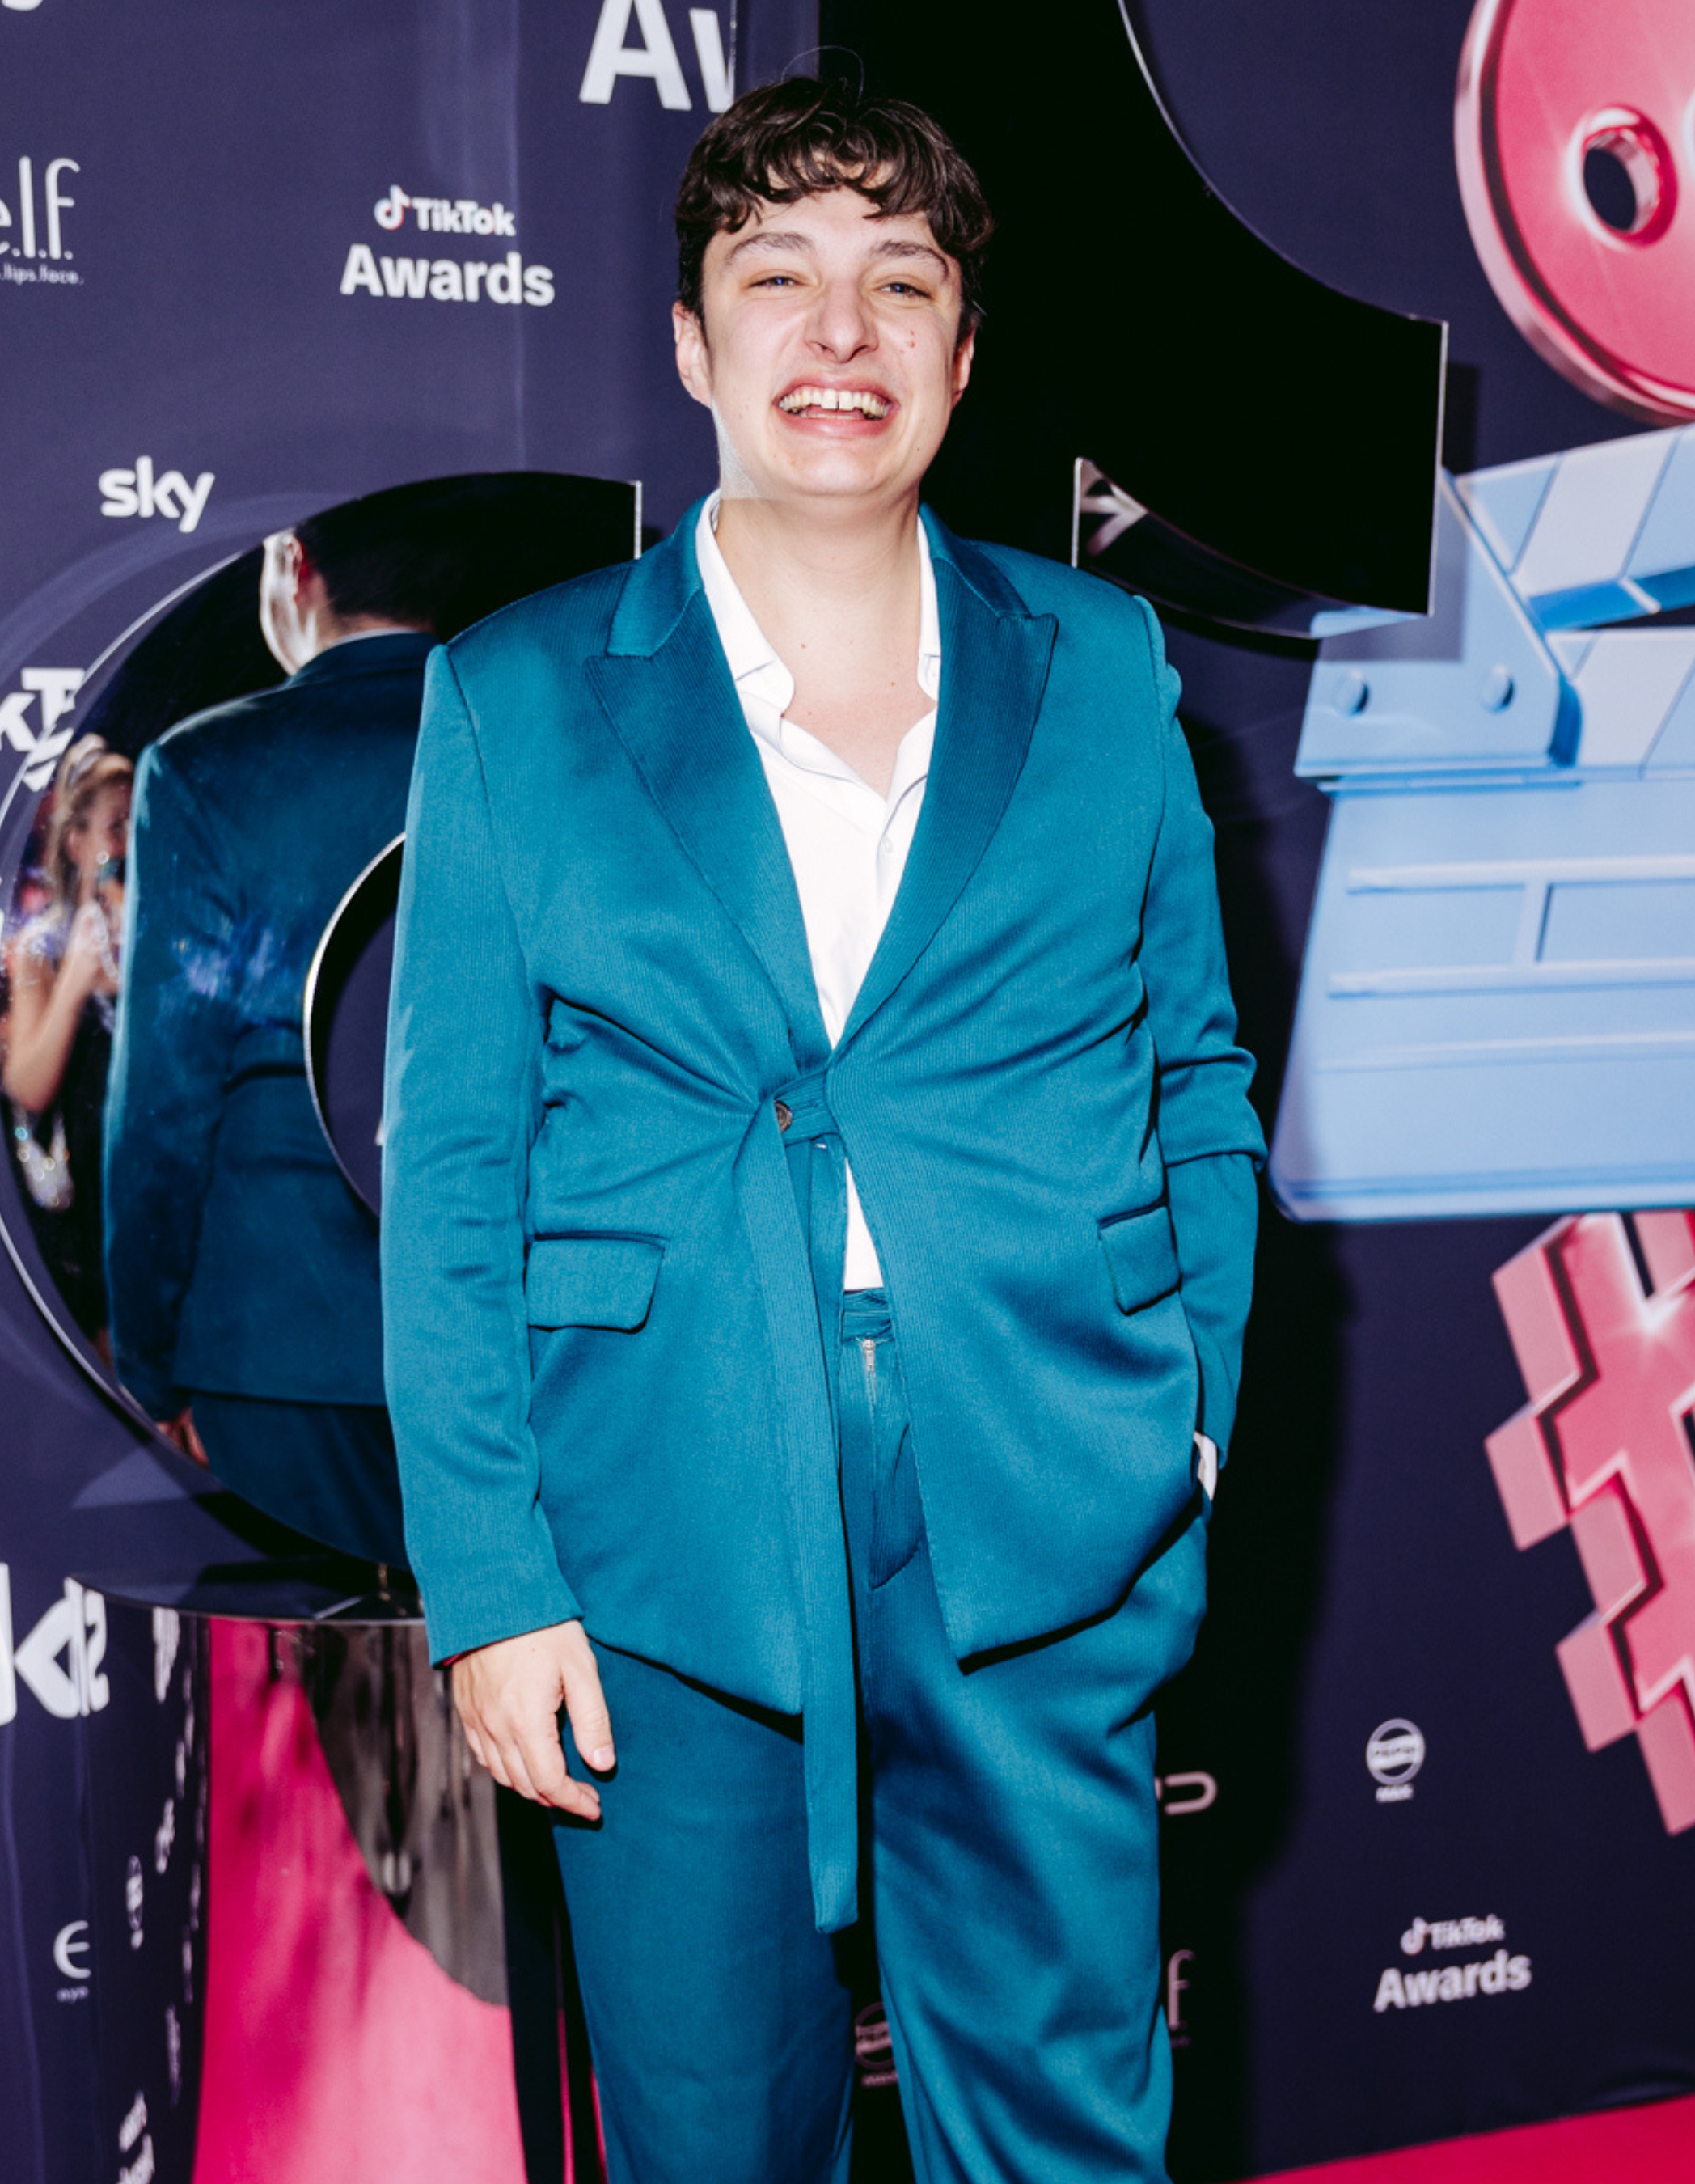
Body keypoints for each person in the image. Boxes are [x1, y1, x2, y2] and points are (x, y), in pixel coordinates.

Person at [382, 76, 1266, 2184]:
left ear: (967, 351)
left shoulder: (1107, 666)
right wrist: (490, 1582)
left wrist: (1194, 1414)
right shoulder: (515, 697)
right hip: (659, 1523)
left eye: (899, 282)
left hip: (1045, 1491)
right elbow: (452, 1184)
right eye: (777, 278)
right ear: (694, 343)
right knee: (709, 2138)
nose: (838, 334)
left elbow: (1200, 1081)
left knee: (1062, 2134)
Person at [104, 489, 444, 1563]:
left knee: (316, 1700)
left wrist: (148, 1361)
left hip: (276, 1348)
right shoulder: (538, 737)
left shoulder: (208, 766)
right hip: (506, 1340)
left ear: (293, 568)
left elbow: (163, 1101)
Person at [0, 736, 133, 1346]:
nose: (128, 843)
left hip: (148, 1198)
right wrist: (78, 979)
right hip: (81, 1217)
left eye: (140, 822)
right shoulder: (41, 947)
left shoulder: (164, 934)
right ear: (76, 843)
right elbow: (26, 1084)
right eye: (116, 825)